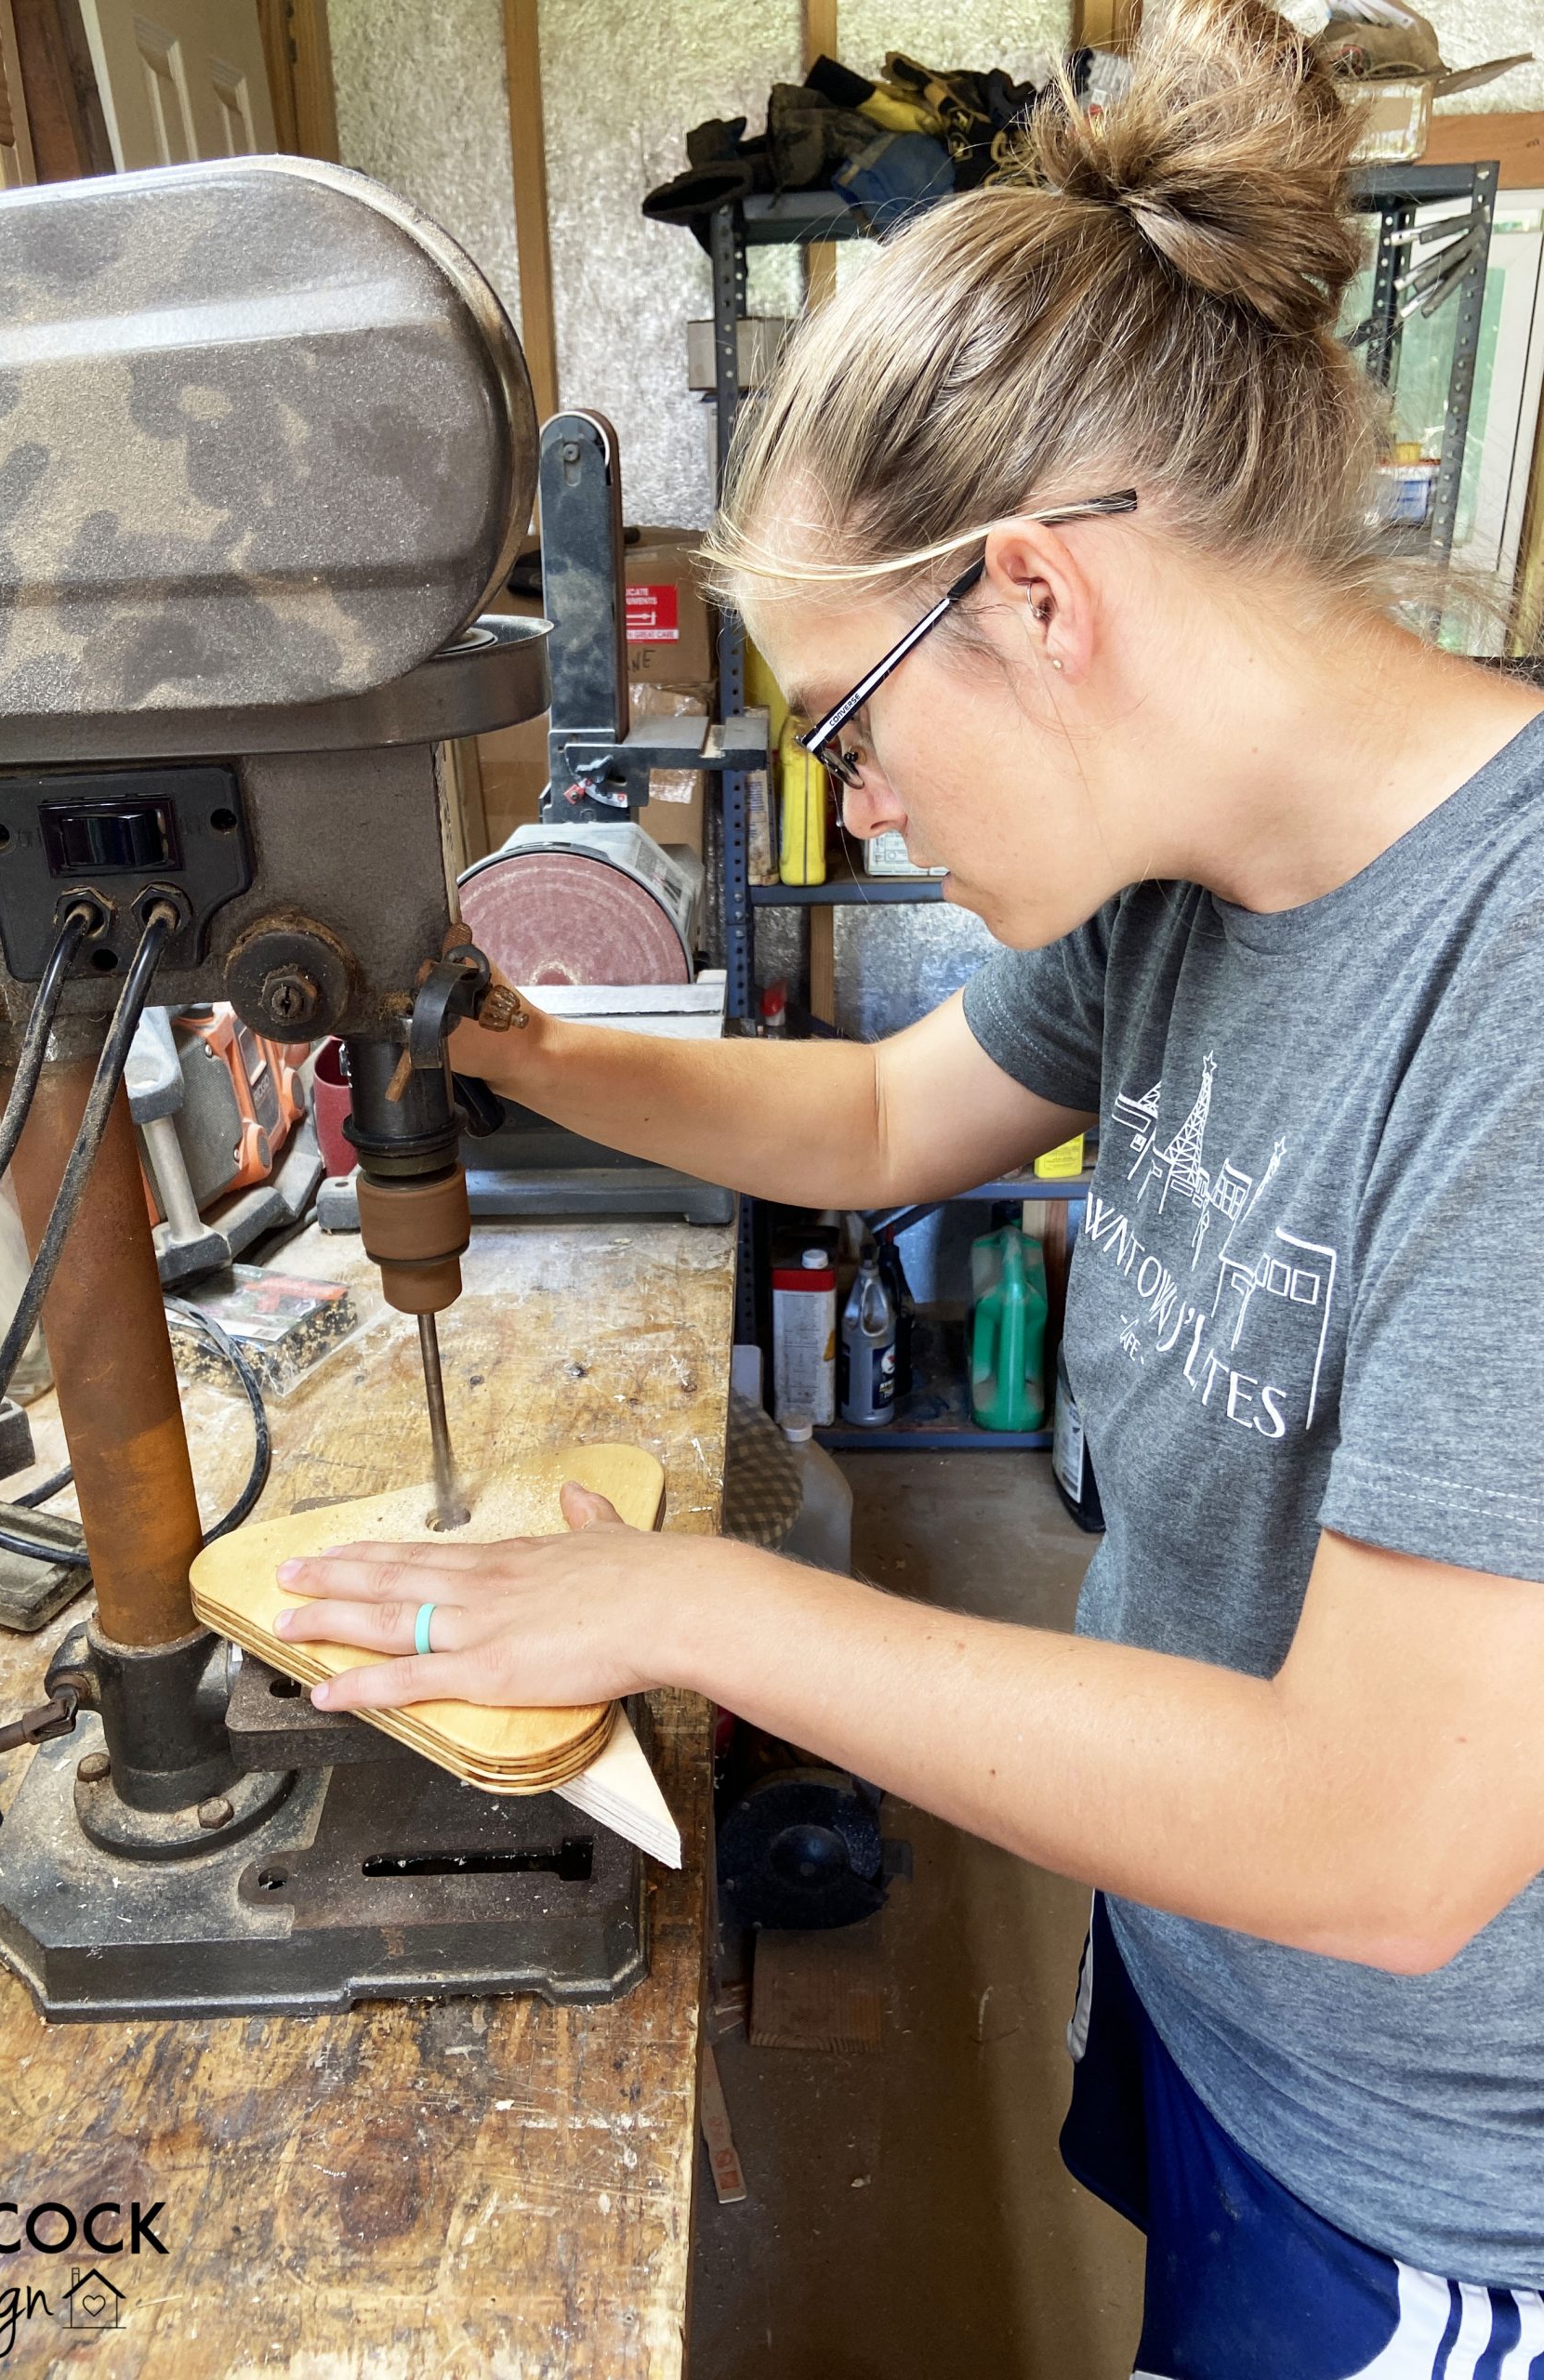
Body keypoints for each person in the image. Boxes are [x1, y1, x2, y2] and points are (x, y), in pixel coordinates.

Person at [275, 4, 1544, 2366]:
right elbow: (869, 1129)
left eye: (849, 728)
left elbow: (1388, 1838)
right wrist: (507, 1046)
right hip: (1208, 1976)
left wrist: (682, 1604)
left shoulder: (1513, 989)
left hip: (1440, 2161)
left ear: (1042, 600)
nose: (850, 808)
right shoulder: (1193, 878)